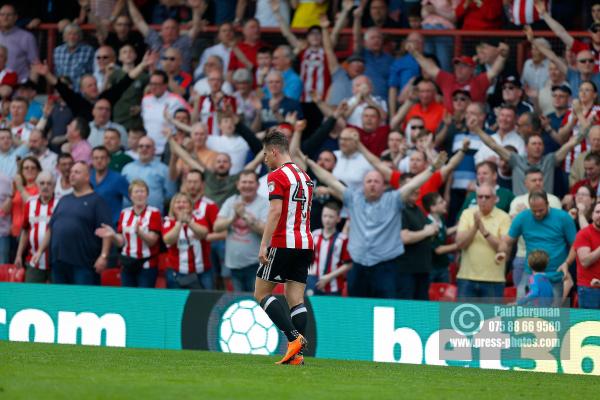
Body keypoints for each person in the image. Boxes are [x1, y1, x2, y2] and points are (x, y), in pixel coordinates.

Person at [305, 134, 447, 299]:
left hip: (385, 268)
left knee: (385, 312)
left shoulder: (394, 199)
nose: (372, 184)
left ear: (383, 185)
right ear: (363, 185)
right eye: (369, 181)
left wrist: (432, 169)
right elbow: (329, 179)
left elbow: (414, 184)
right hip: (358, 267)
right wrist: (310, 163)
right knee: (357, 312)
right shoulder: (353, 197)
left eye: (376, 181)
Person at [254, 130, 313, 366]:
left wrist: (264, 244)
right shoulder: (305, 176)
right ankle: (296, 356)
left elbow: (276, 211)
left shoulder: (277, 176)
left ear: (275, 151)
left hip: (284, 242)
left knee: (261, 292)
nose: (265, 159)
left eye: (266, 154)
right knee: (295, 298)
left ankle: (293, 339)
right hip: (305, 243)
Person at [32, 162, 112, 285]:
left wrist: (104, 256)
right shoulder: (64, 199)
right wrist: (40, 251)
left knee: (82, 302)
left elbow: (107, 231)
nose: (72, 175)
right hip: (59, 262)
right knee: (62, 302)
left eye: (77, 172)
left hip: (84, 264)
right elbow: (51, 228)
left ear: (87, 177)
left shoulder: (97, 201)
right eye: (71, 172)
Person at [497, 191, 576, 305]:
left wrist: (567, 263)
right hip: (531, 273)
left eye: (541, 210)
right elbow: (507, 241)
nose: (537, 214)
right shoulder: (523, 217)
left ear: (548, 204)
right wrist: (502, 251)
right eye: (534, 211)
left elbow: (575, 244)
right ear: (529, 205)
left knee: (554, 316)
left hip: (556, 275)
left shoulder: (563, 217)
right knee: (523, 313)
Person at [95, 180, 161, 288]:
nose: (139, 194)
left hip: (146, 264)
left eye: (142, 191)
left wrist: (140, 233)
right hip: (127, 263)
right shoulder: (124, 213)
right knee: (128, 299)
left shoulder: (154, 213)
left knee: (143, 300)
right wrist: (112, 235)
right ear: (130, 196)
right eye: (136, 192)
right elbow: (121, 242)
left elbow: (153, 241)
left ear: (147, 194)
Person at [214, 170, 268, 293]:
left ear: (257, 185)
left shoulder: (265, 203)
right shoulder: (231, 201)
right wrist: (233, 217)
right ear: (238, 185)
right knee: (237, 303)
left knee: (256, 303)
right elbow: (216, 227)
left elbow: (266, 230)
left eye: (251, 182)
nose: (247, 185)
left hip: (256, 266)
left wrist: (244, 215)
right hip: (233, 266)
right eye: (244, 182)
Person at [455, 183, 511, 301]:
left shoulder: (504, 217)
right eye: (480, 197)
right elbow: (459, 243)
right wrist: (475, 227)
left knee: (491, 319)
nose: (483, 200)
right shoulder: (467, 213)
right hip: (466, 278)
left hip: (494, 280)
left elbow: (503, 248)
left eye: (487, 197)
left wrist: (484, 231)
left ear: (495, 199)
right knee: (462, 319)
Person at [14, 171, 57, 283]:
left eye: (49, 183)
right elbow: (25, 230)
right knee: (32, 298)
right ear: (37, 185)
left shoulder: (60, 203)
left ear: (54, 186)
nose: (45, 187)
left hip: (56, 262)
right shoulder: (30, 203)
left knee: (56, 298)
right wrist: (18, 255)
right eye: (42, 183)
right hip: (34, 261)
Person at [162, 192, 211, 289]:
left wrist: (189, 222)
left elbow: (203, 233)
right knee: (177, 303)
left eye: (185, 202)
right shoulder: (168, 222)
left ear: (190, 205)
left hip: (202, 271)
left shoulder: (199, 218)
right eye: (178, 202)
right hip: (177, 271)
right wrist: (179, 222)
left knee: (206, 302)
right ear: (173, 206)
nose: (181, 204)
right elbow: (168, 240)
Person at [121, 136, 176, 214]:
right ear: (137, 149)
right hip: (129, 216)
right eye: (141, 146)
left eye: (148, 146)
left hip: (154, 216)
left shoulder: (164, 169)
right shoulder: (127, 168)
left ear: (154, 150)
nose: (144, 149)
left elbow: (171, 195)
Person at [307, 202, 352, 296]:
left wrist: (328, 277)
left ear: (338, 219)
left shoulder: (342, 239)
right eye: (325, 216)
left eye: (331, 217)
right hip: (313, 282)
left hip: (333, 286)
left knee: (330, 310)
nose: (327, 220)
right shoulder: (315, 235)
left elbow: (349, 264)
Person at [90, 146, 130, 225]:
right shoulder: (87, 177)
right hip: (91, 225)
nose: (99, 161)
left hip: (111, 226)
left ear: (108, 160)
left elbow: (134, 197)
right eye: (96, 158)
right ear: (92, 160)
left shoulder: (118, 178)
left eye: (102, 158)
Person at [0, 3, 39, 82]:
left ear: (15, 17)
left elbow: (35, 64)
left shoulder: (27, 37)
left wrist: (30, 87)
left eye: (9, 15)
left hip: (19, 87)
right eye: (2, 14)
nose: (5, 17)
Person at [52, 23, 95, 92]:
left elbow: (92, 73)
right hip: (62, 93)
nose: (72, 37)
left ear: (80, 37)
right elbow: (55, 74)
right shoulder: (57, 51)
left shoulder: (88, 51)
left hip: (81, 93)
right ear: (64, 37)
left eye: (75, 34)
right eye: (69, 34)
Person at [573, 201, 600, 309]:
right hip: (590, 289)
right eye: (598, 212)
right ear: (592, 214)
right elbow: (585, 261)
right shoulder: (584, 233)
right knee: (590, 325)